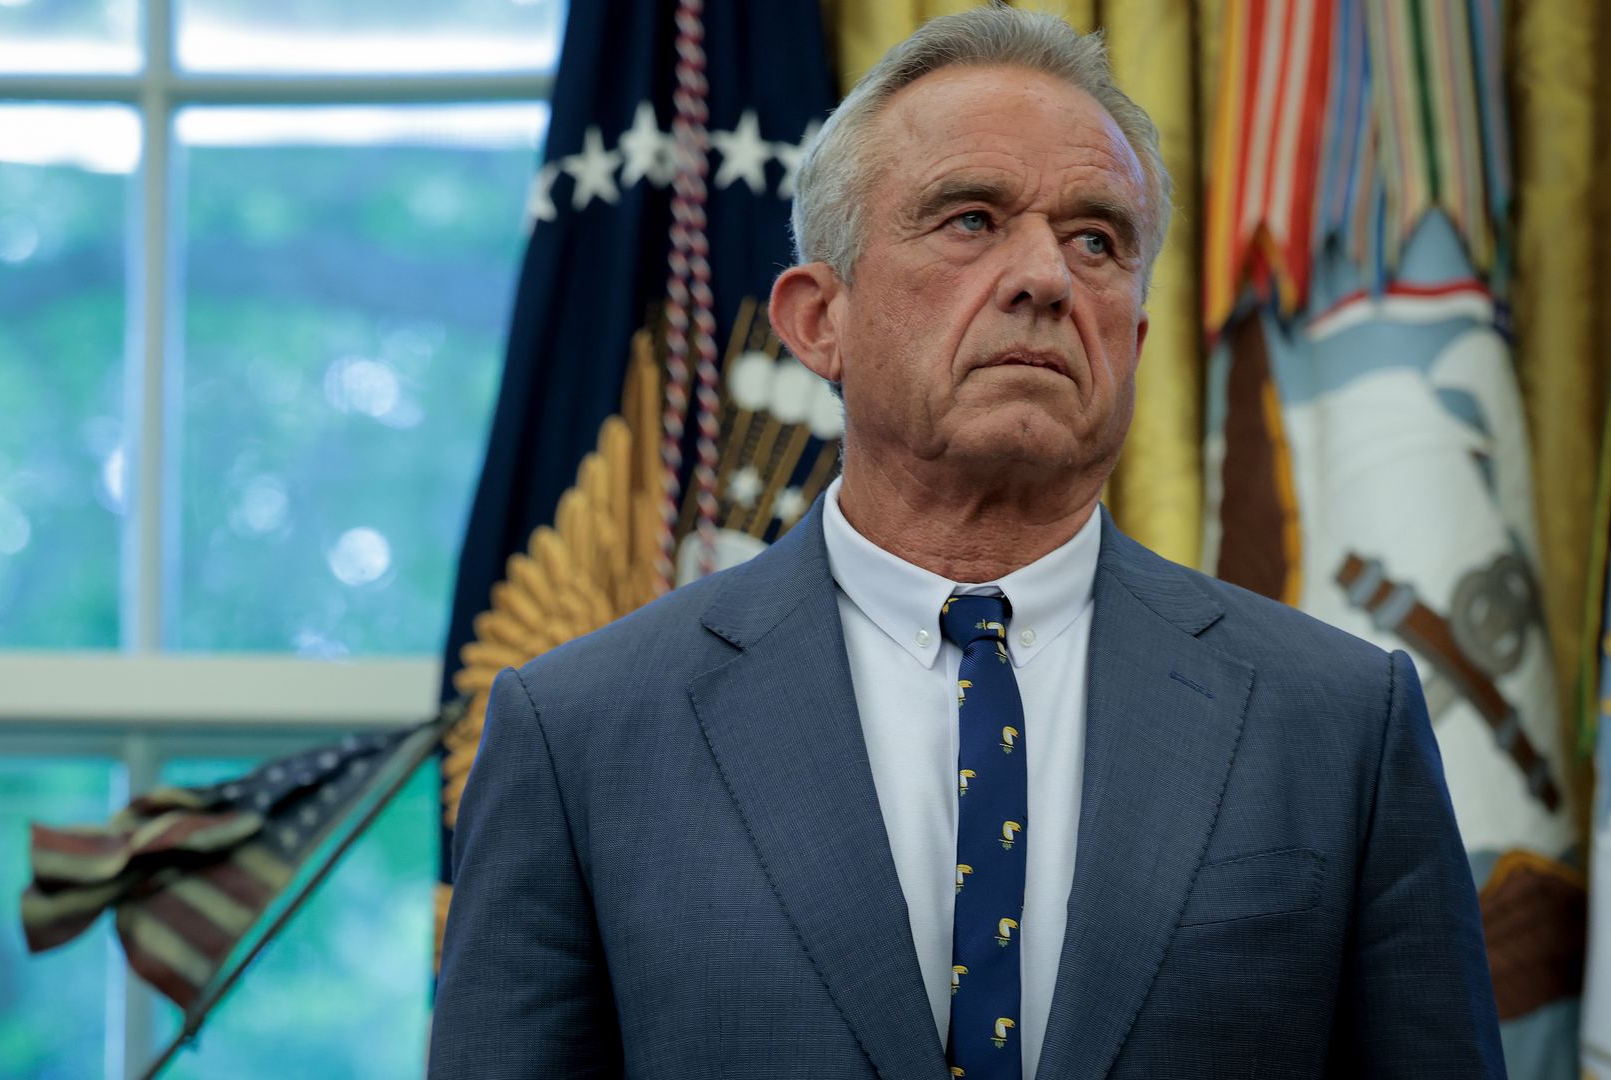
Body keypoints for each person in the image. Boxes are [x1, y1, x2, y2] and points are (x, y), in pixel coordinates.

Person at [429, 6, 1505, 1078]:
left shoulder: (1339, 724)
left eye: (1097, 240)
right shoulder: (582, 734)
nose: (1044, 278)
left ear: (1131, 338)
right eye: (971, 220)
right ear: (817, 320)